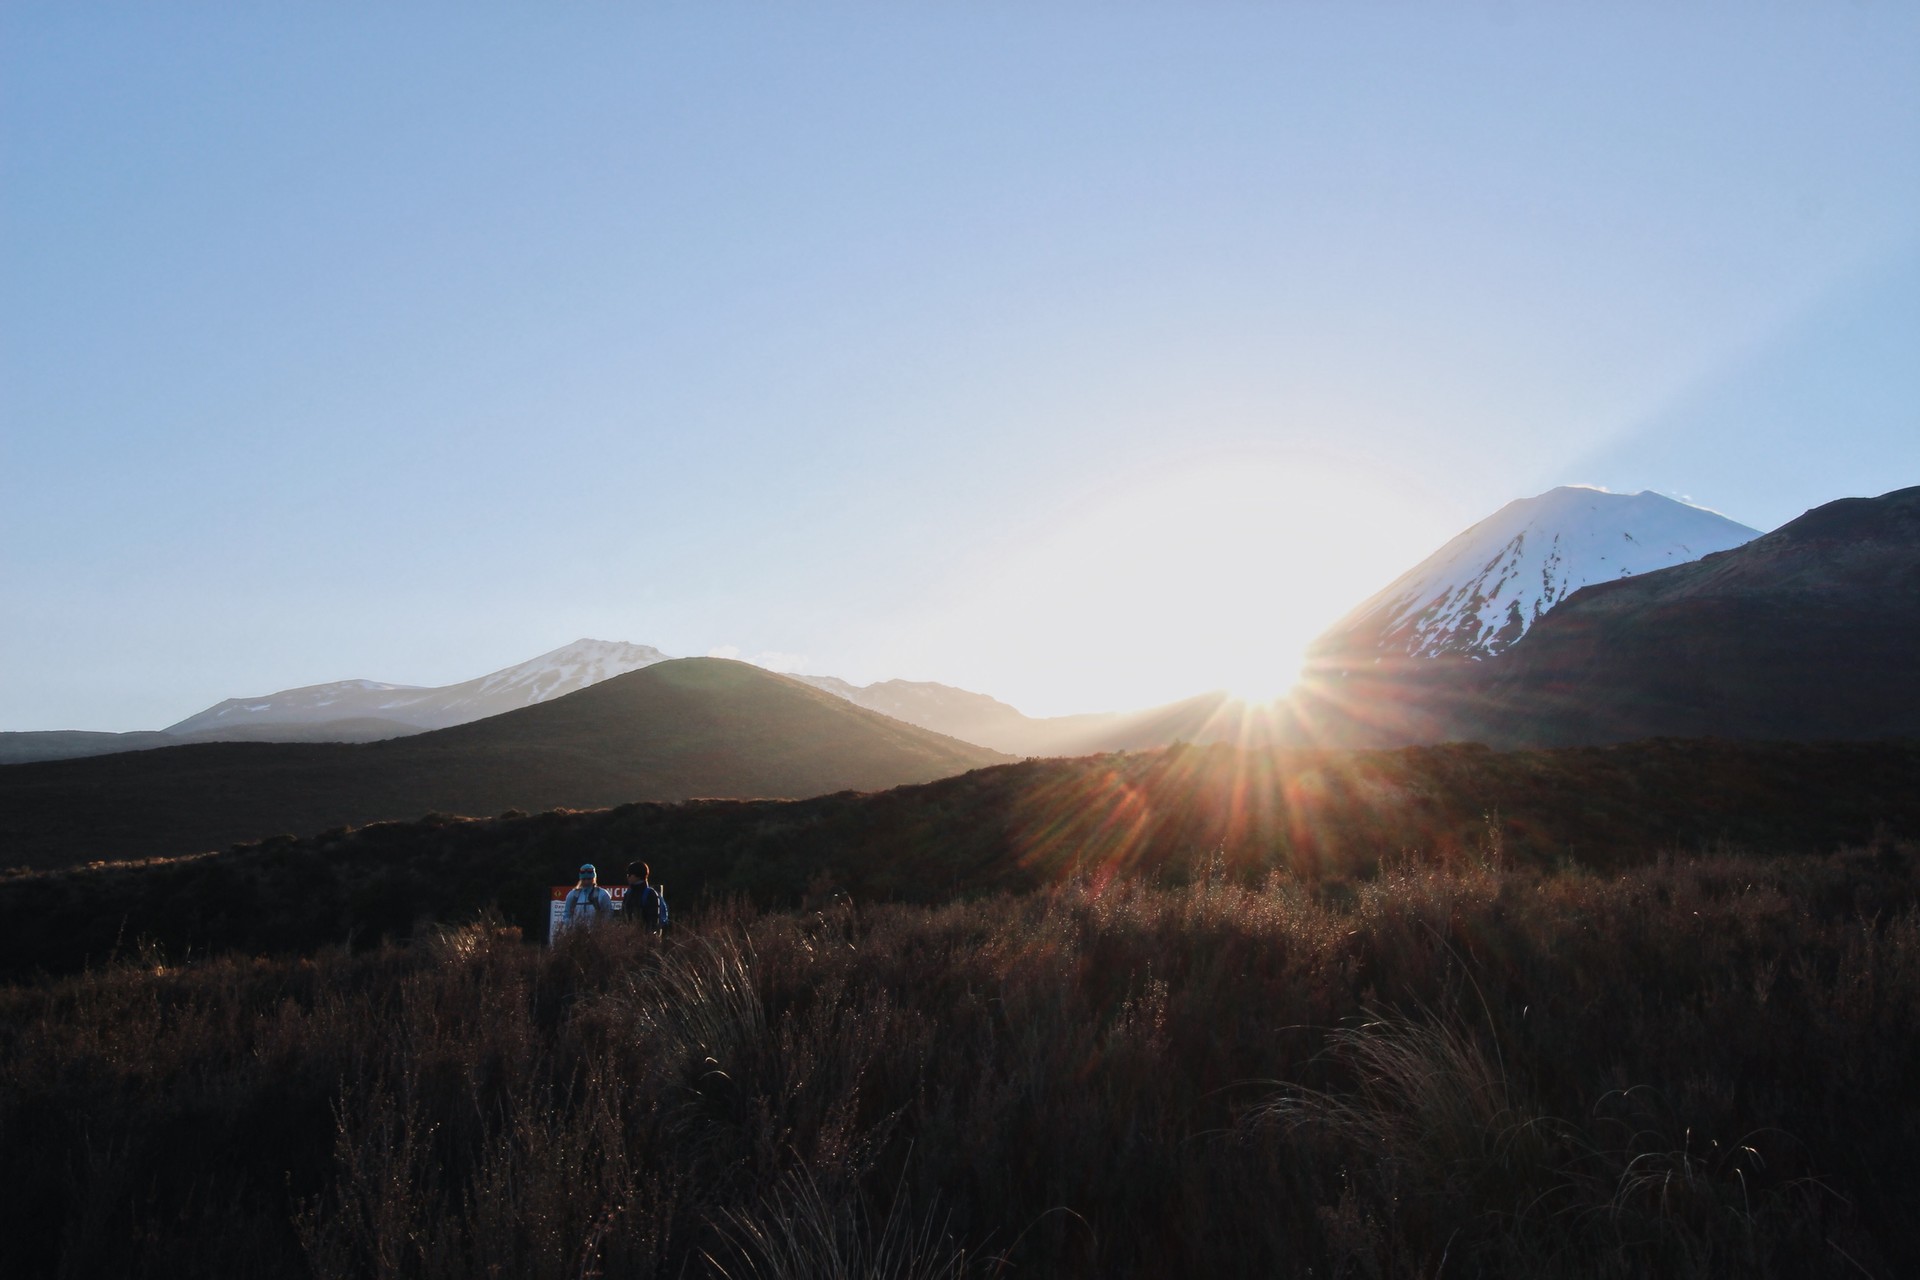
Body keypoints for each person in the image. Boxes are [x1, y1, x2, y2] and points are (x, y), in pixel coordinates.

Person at [563, 863, 613, 929]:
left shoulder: (602, 894)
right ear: (580, 879)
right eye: (584, 879)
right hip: (576, 934)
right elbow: (567, 914)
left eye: (589, 879)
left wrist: (602, 929)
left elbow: (608, 914)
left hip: (596, 934)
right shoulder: (572, 895)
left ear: (594, 878)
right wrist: (570, 926)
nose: (586, 881)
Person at [626, 860, 665, 931]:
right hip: (630, 935)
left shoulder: (650, 894)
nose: (627, 877)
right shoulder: (629, 893)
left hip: (644, 936)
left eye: (629, 874)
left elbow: (653, 920)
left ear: (637, 876)